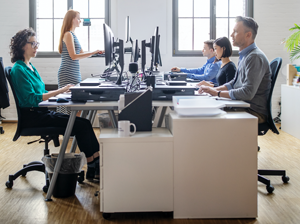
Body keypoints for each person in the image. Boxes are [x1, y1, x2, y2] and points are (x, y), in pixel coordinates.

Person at [9, 28, 100, 181]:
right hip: (33, 117)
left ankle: (97, 163)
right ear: (22, 45)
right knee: (81, 126)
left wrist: (64, 93)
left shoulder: (29, 66)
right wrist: (60, 91)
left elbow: (42, 91)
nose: (36, 46)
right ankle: (93, 168)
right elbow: (33, 99)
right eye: (33, 43)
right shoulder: (19, 69)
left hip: (41, 113)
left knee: (84, 122)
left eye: (37, 43)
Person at [198, 16, 271, 124]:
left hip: (253, 111)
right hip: (243, 104)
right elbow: (234, 83)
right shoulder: (245, 56)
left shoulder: (254, 57)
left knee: (208, 117)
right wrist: (215, 90)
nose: (231, 35)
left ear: (248, 35)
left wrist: (217, 93)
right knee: (205, 110)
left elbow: (247, 93)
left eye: (235, 32)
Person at [57, 9, 103, 114]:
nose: (80, 21)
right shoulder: (68, 34)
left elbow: (81, 54)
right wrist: (93, 52)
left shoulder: (73, 35)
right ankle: (66, 129)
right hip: (67, 73)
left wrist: (97, 52)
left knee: (77, 105)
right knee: (69, 105)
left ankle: (73, 129)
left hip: (74, 73)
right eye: (78, 18)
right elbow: (74, 56)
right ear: (72, 19)